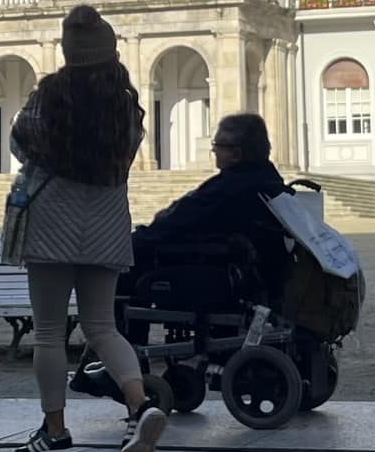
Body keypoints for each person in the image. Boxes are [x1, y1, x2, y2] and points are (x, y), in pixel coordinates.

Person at [8, 5, 166, 452]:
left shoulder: (49, 95)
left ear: (68, 52)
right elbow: (130, 151)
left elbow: (19, 142)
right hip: (105, 219)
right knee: (102, 326)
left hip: (52, 216)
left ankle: (55, 433)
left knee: (51, 331)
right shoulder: (125, 103)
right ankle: (140, 406)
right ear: (110, 50)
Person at [120, 111, 290, 352]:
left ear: (236, 153)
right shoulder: (266, 178)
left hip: (215, 266)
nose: (214, 152)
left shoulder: (231, 187)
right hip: (243, 269)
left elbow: (179, 220)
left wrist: (138, 239)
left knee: (125, 261)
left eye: (218, 146)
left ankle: (124, 352)